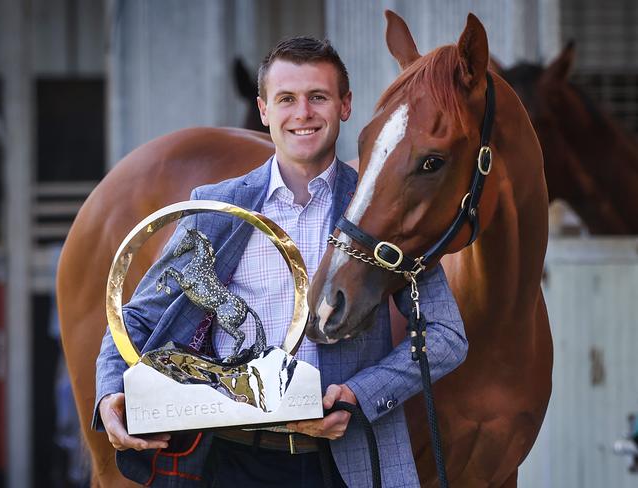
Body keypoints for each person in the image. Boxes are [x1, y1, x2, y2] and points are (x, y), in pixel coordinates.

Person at [93, 36, 468, 488]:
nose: (303, 113)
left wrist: (359, 396)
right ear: (264, 109)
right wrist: (111, 389)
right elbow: (135, 316)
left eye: (318, 97)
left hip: (349, 464)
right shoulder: (216, 206)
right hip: (232, 461)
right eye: (286, 99)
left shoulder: (382, 210)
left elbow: (445, 336)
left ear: (345, 105)